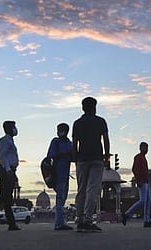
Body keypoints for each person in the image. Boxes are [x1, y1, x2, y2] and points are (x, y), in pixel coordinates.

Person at [72, 96, 109, 233]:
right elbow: (105, 139)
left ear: (83, 108)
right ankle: (88, 219)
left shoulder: (77, 123)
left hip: (82, 159)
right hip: (96, 158)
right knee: (92, 189)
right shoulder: (100, 121)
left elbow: (74, 143)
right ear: (94, 107)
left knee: (81, 189)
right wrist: (107, 155)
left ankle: (80, 218)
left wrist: (75, 158)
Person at [121, 142, 151, 228]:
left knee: (148, 201)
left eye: (147, 148)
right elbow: (135, 169)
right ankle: (126, 214)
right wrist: (138, 180)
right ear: (140, 148)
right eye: (144, 147)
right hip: (142, 182)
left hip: (146, 182)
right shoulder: (138, 157)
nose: (146, 149)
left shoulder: (143, 158)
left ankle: (147, 221)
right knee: (143, 201)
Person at [47, 122, 74, 230]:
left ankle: (61, 221)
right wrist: (64, 154)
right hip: (58, 172)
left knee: (63, 197)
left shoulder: (69, 142)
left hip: (66, 173)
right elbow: (50, 155)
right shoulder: (55, 141)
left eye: (60, 130)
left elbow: (73, 156)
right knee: (60, 197)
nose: (58, 132)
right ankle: (59, 223)